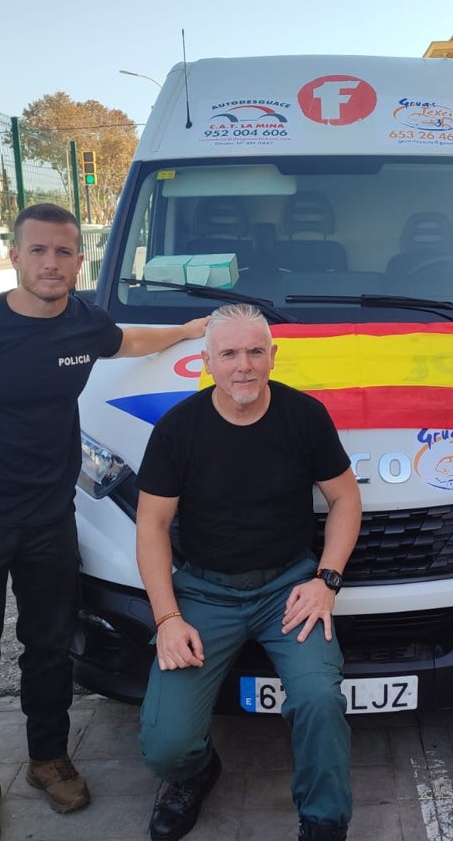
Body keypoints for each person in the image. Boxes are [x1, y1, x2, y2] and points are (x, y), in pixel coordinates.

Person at [0, 203, 209, 841]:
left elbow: (129, 341)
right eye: (38, 251)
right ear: (13, 257)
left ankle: (48, 759)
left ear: (78, 260)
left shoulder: (83, 323)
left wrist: (189, 330)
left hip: (48, 521)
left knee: (48, 650)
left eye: (64, 252)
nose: (51, 263)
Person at [134, 303, 361, 841]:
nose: (244, 365)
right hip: (203, 593)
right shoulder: (177, 429)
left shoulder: (304, 416)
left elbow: (346, 499)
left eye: (256, 351)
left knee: (319, 700)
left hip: (289, 587)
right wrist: (167, 618)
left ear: (273, 357)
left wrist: (326, 580)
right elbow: (151, 528)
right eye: (230, 353)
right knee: (165, 744)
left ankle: (324, 821)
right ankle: (194, 773)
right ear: (206, 361)